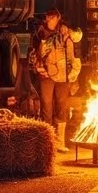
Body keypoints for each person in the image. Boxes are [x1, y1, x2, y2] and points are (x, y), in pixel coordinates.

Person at [31, 8, 78, 153]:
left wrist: (74, 75)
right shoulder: (40, 33)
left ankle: (60, 141)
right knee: (46, 105)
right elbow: (33, 52)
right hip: (46, 75)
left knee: (61, 105)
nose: (48, 20)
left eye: (51, 17)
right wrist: (37, 66)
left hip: (63, 76)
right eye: (47, 18)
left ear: (58, 17)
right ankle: (48, 141)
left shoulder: (65, 33)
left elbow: (71, 55)